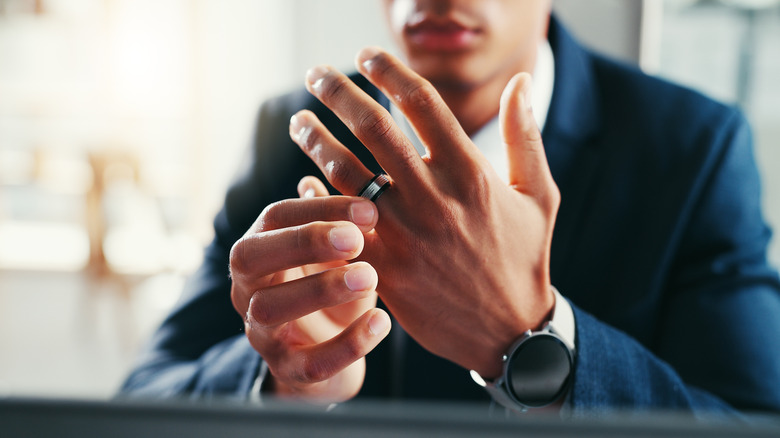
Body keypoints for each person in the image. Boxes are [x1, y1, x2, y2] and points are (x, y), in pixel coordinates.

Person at [121, 0, 780, 417]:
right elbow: (144, 399)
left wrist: (535, 343)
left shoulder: (691, 147)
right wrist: (287, 381)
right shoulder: (289, 131)